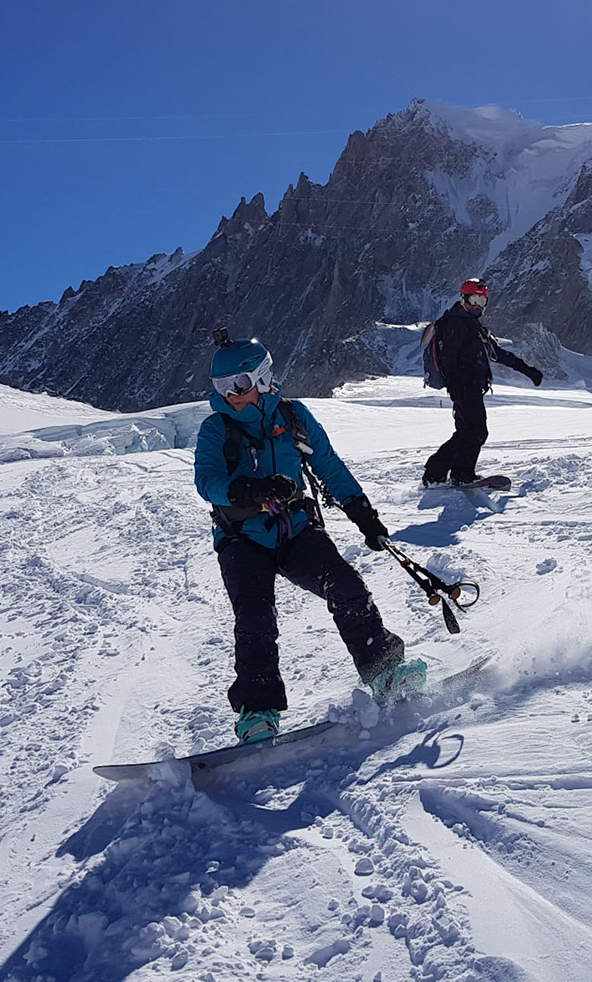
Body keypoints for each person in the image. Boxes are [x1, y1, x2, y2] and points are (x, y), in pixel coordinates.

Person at [195, 334, 426, 743]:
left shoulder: (295, 417)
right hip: (241, 538)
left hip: (297, 529)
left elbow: (329, 467)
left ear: (263, 378)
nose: (232, 395)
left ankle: (386, 671)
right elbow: (207, 482)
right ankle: (257, 712)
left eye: (241, 383)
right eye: (223, 387)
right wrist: (250, 491)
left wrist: (363, 514)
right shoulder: (216, 429)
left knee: (347, 587)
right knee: (254, 617)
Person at [421, 278, 543, 488]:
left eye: (482, 301)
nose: (477, 305)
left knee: (467, 431)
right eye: (473, 299)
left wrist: (526, 370)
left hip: (470, 387)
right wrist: (458, 388)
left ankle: (440, 473)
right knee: (476, 431)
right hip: (464, 388)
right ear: (463, 298)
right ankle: (454, 473)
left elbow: (495, 352)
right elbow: (448, 359)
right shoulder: (456, 323)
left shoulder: (471, 324)